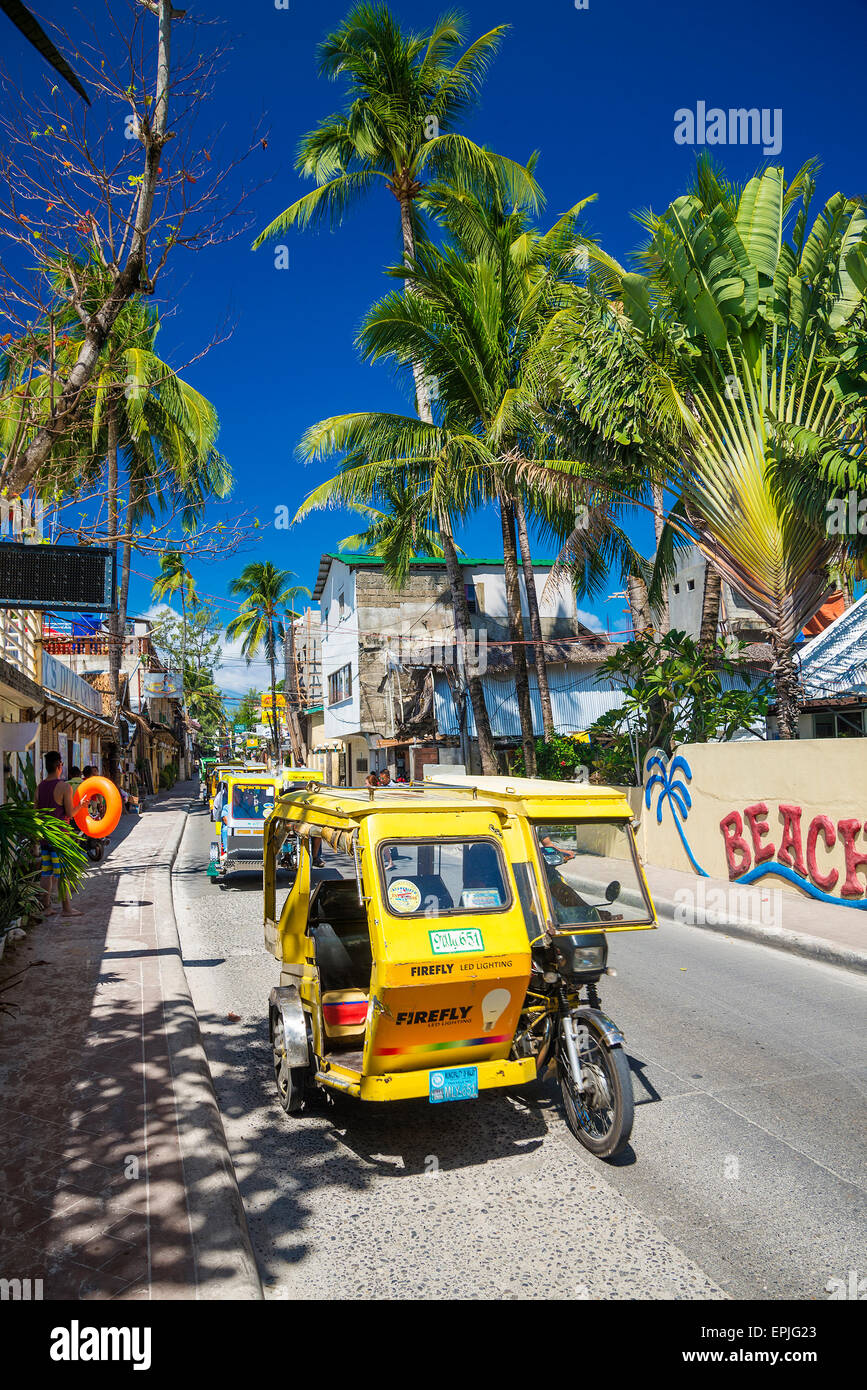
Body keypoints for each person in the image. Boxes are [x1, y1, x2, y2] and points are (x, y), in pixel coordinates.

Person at [35, 752, 83, 918]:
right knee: (63, 873)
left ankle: (46, 907)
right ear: (59, 766)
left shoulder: (40, 787)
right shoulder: (64, 787)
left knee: (46, 872)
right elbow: (69, 813)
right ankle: (67, 908)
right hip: (60, 837)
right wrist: (82, 805)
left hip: (45, 837)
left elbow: (36, 813)